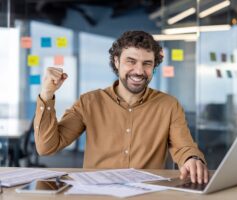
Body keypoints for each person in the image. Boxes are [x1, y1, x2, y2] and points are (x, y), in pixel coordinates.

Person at [34, 30, 208, 184]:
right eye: (131, 61)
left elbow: (183, 147)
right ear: (116, 61)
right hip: (99, 194)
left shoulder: (169, 105)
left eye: (147, 63)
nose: (139, 71)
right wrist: (47, 94)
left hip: (148, 194)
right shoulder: (89, 102)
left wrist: (192, 159)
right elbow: (46, 147)